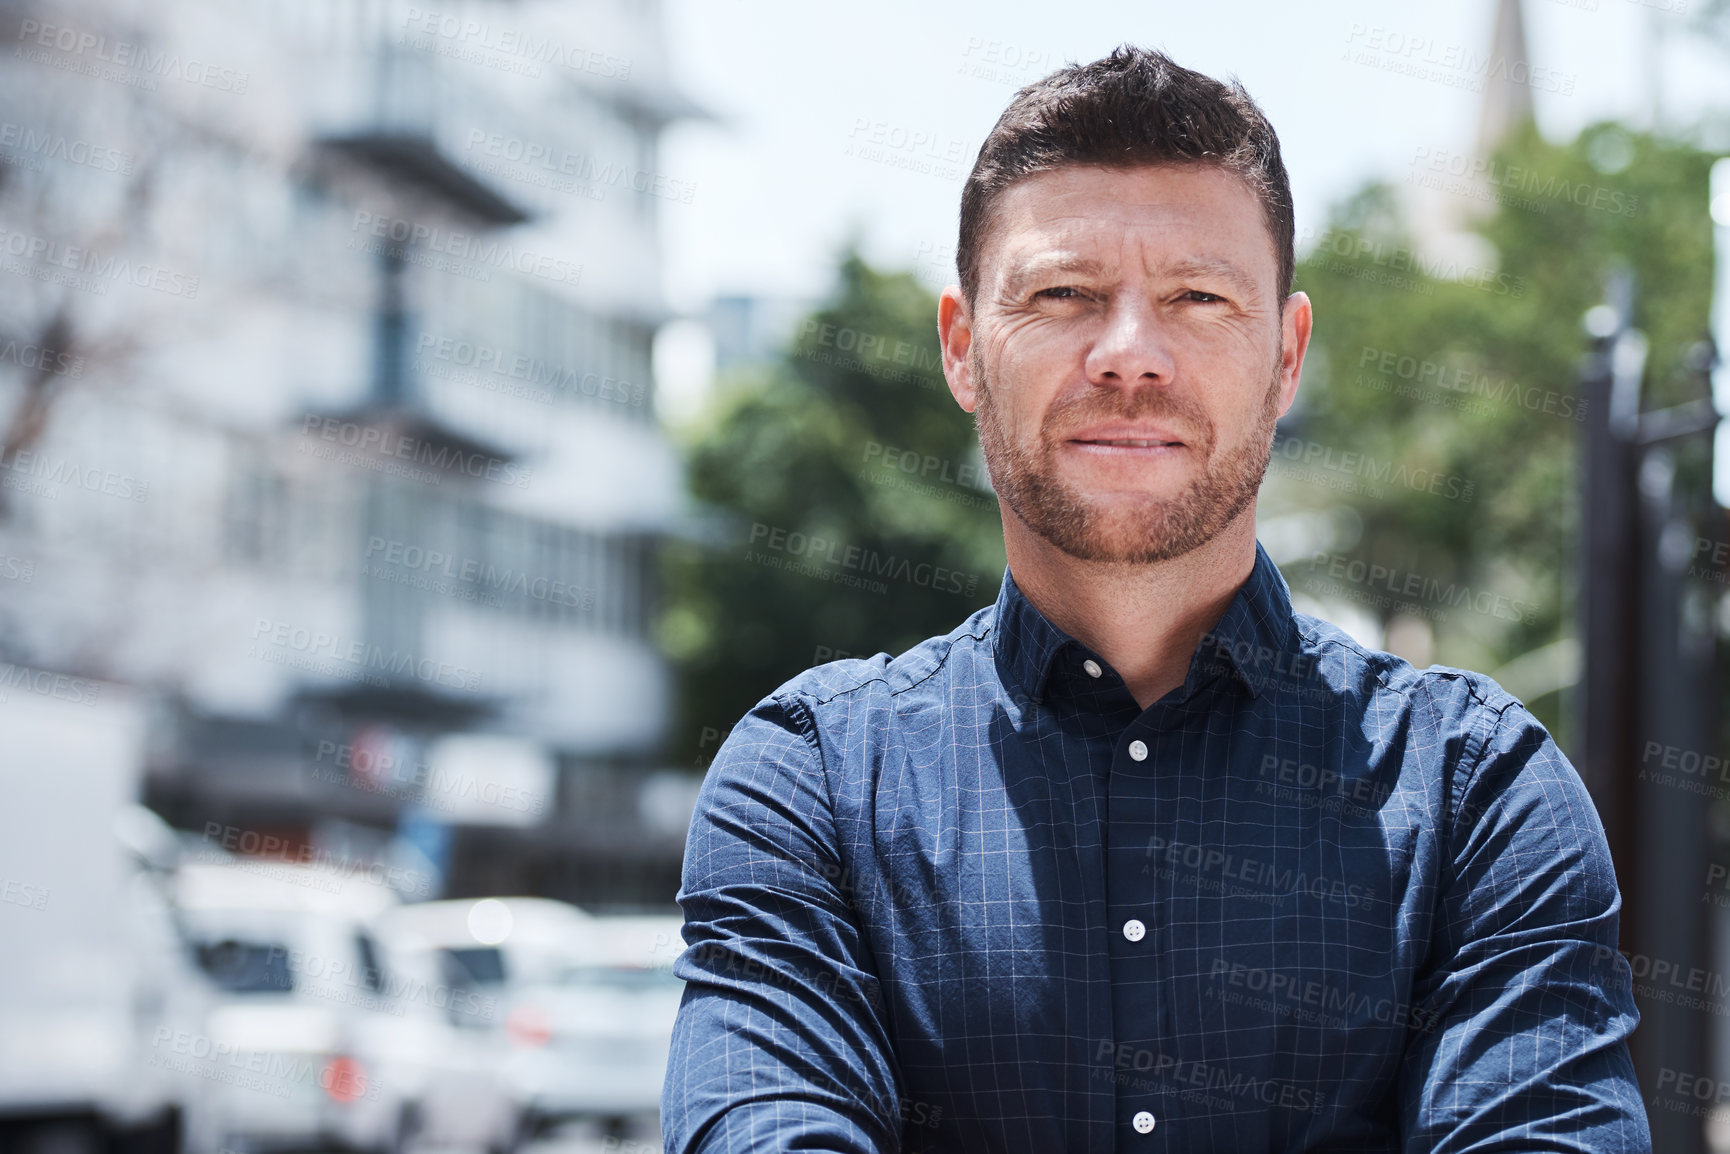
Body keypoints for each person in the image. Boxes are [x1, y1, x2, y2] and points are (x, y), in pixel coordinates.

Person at [661, 44, 1649, 1153]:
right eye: (1062, 294)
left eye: (1196, 296)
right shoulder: (812, 785)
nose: (1129, 356)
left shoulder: (1477, 792)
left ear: (1284, 353)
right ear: (960, 348)